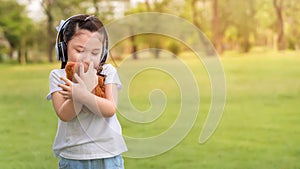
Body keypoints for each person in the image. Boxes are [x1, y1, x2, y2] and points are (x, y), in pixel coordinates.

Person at [46, 14, 127, 169]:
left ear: (102, 53)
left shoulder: (107, 71)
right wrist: (79, 93)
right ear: (63, 49)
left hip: (108, 154)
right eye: (79, 50)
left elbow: (109, 109)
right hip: (73, 156)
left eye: (95, 53)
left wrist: (84, 94)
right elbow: (65, 115)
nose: (87, 59)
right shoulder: (58, 76)